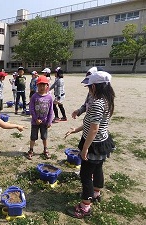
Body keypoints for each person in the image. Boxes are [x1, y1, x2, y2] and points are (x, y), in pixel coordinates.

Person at [65, 71, 115, 219]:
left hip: (93, 144)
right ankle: (96, 193)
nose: (88, 89)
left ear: (94, 86)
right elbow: (92, 124)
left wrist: (85, 149)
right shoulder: (106, 99)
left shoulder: (97, 104)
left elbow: (94, 129)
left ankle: (85, 206)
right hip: (103, 142)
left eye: (89, 87)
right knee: (98, 168)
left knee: (86, 175)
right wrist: (76, 130)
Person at [26, 76, 53, 160]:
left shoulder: (49, 97)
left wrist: (49, 121)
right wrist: (35, 118)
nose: (42, 87)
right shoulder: (34, 96)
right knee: (33, 137)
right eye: (40, 85)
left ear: (47, 86)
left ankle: (45, 149)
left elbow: (51, 110)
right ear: (37, 86)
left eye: (43, 85)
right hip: (35, 122)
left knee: (44, 137)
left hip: (44, 122)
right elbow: (31, 108)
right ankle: (31, 150)